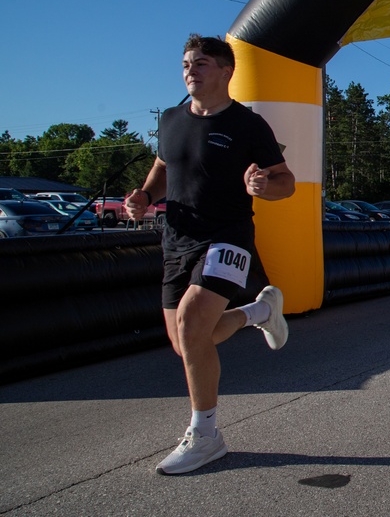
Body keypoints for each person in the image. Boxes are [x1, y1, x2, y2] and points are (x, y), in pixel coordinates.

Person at [125, 34, 295, 475]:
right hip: (176, 239)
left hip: (228, 237)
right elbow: (164, 168)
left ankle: (206, 435)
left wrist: (265, 187)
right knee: (188, 342)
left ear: (225, 71)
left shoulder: (248, 124)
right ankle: (257, 313)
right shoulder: (169, 120)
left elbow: (285, 181)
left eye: (200, 63)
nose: (190, 71)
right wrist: (144, 197)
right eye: (185, 64)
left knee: (191, 323)